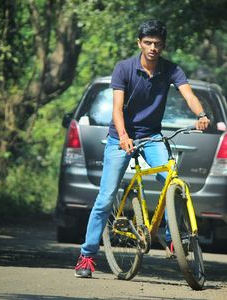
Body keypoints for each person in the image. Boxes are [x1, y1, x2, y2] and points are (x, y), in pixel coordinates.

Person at [74, 19, 210, 278]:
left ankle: (174, 240)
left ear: (163, 45)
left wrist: (201, 114)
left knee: (173, 182)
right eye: (148, 43)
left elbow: (189, 95)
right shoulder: (124, 69)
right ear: (139, 43)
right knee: (105, 198)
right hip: (120, 138)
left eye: (157, 44)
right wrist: (124, 136)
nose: (152, 48)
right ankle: (87, 255)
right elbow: (117, 109)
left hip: (152, 137)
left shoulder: (171, 70)